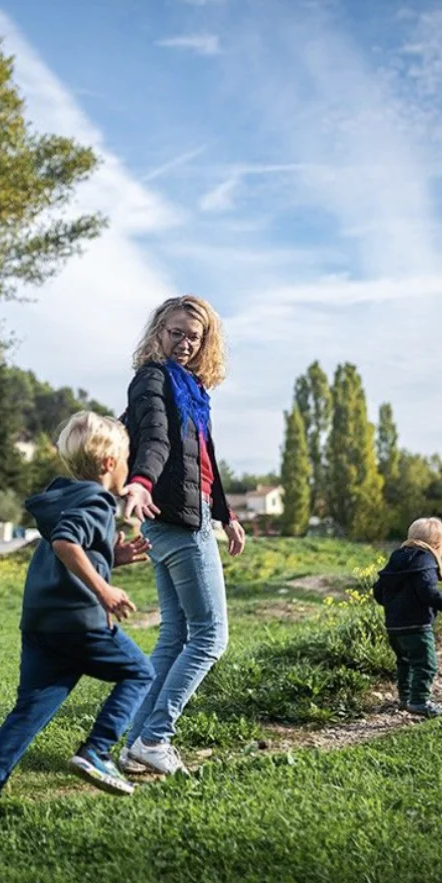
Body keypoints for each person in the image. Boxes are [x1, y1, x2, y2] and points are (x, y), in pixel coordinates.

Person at [0, 412, 155, 825]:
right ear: (108, 464)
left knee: (28, 712)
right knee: (140, 673)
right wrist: (104, 590)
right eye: (126, 458)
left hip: (42, 624)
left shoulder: (64, 496)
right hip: (80, 621)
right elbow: (65, 543)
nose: (128, 466)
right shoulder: (98, 501)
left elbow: (72, 543)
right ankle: (97, 750)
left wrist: (112, 557)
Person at [119, 295, 245, 775]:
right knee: (211, 636)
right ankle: (156, 737)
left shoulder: (193, 388)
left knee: (174, 635)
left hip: (186, 517)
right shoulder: (153, 379)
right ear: (159, 331)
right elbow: (155, 438)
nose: (185, 344)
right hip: (176, 520)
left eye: (195, 337)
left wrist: (226, 515)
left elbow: (205, 458)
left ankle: (135, 745)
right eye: (176, 333)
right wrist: (140, 481)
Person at [373, 516, 442, 718]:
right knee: (425, 664)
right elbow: (427, 592)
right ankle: (419, 701)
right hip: (417, 626)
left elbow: (378, 590)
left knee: (404, 662)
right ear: (436, 546)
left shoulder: (396, 559)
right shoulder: (425, 560)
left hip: (394, 627)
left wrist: (394, 605)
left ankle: (405, 698)